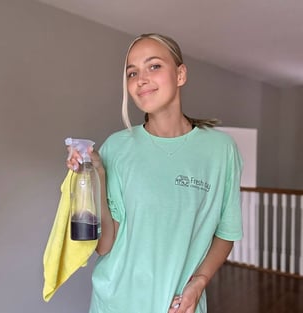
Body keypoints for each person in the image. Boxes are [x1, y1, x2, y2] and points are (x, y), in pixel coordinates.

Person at [66, 33, 243, 313]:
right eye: (132, 72)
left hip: (178, 307)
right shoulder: (117, 147)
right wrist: (96, 172)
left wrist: (198, 282)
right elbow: (105, 246)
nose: (141, 79)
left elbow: (226, 233)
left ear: (181, 74)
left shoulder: (220, 150)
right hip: (113, 303)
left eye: (154, 66)